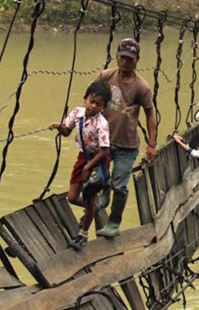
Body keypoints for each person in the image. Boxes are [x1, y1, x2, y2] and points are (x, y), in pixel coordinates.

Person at [94, 38, 158, 238]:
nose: (125, 62)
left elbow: (150, 114)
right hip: (103, 141)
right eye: (122, 57)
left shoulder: (142, 87)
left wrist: (151, 145)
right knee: (100, 178)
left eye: (130, 59)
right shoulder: (106, 76)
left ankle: (114, 223)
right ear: (117, 57)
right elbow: (91, 97)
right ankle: (104, 189)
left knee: (120, 186)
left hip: (127, 145)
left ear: (137, 60)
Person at [49, 81, 112, 250]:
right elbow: (67, 131)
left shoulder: (102, 124)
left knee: (89, 195)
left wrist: (88, 168)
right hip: (83, 157)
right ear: (85, 99)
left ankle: (83, 234)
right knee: (72, 197)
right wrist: (59, 127)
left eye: (98, 104)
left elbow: (104, 151)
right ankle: (94, 207)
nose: (93, 106)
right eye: (91, 101)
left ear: (103, 107)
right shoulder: (77, 113)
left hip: (98, 160)